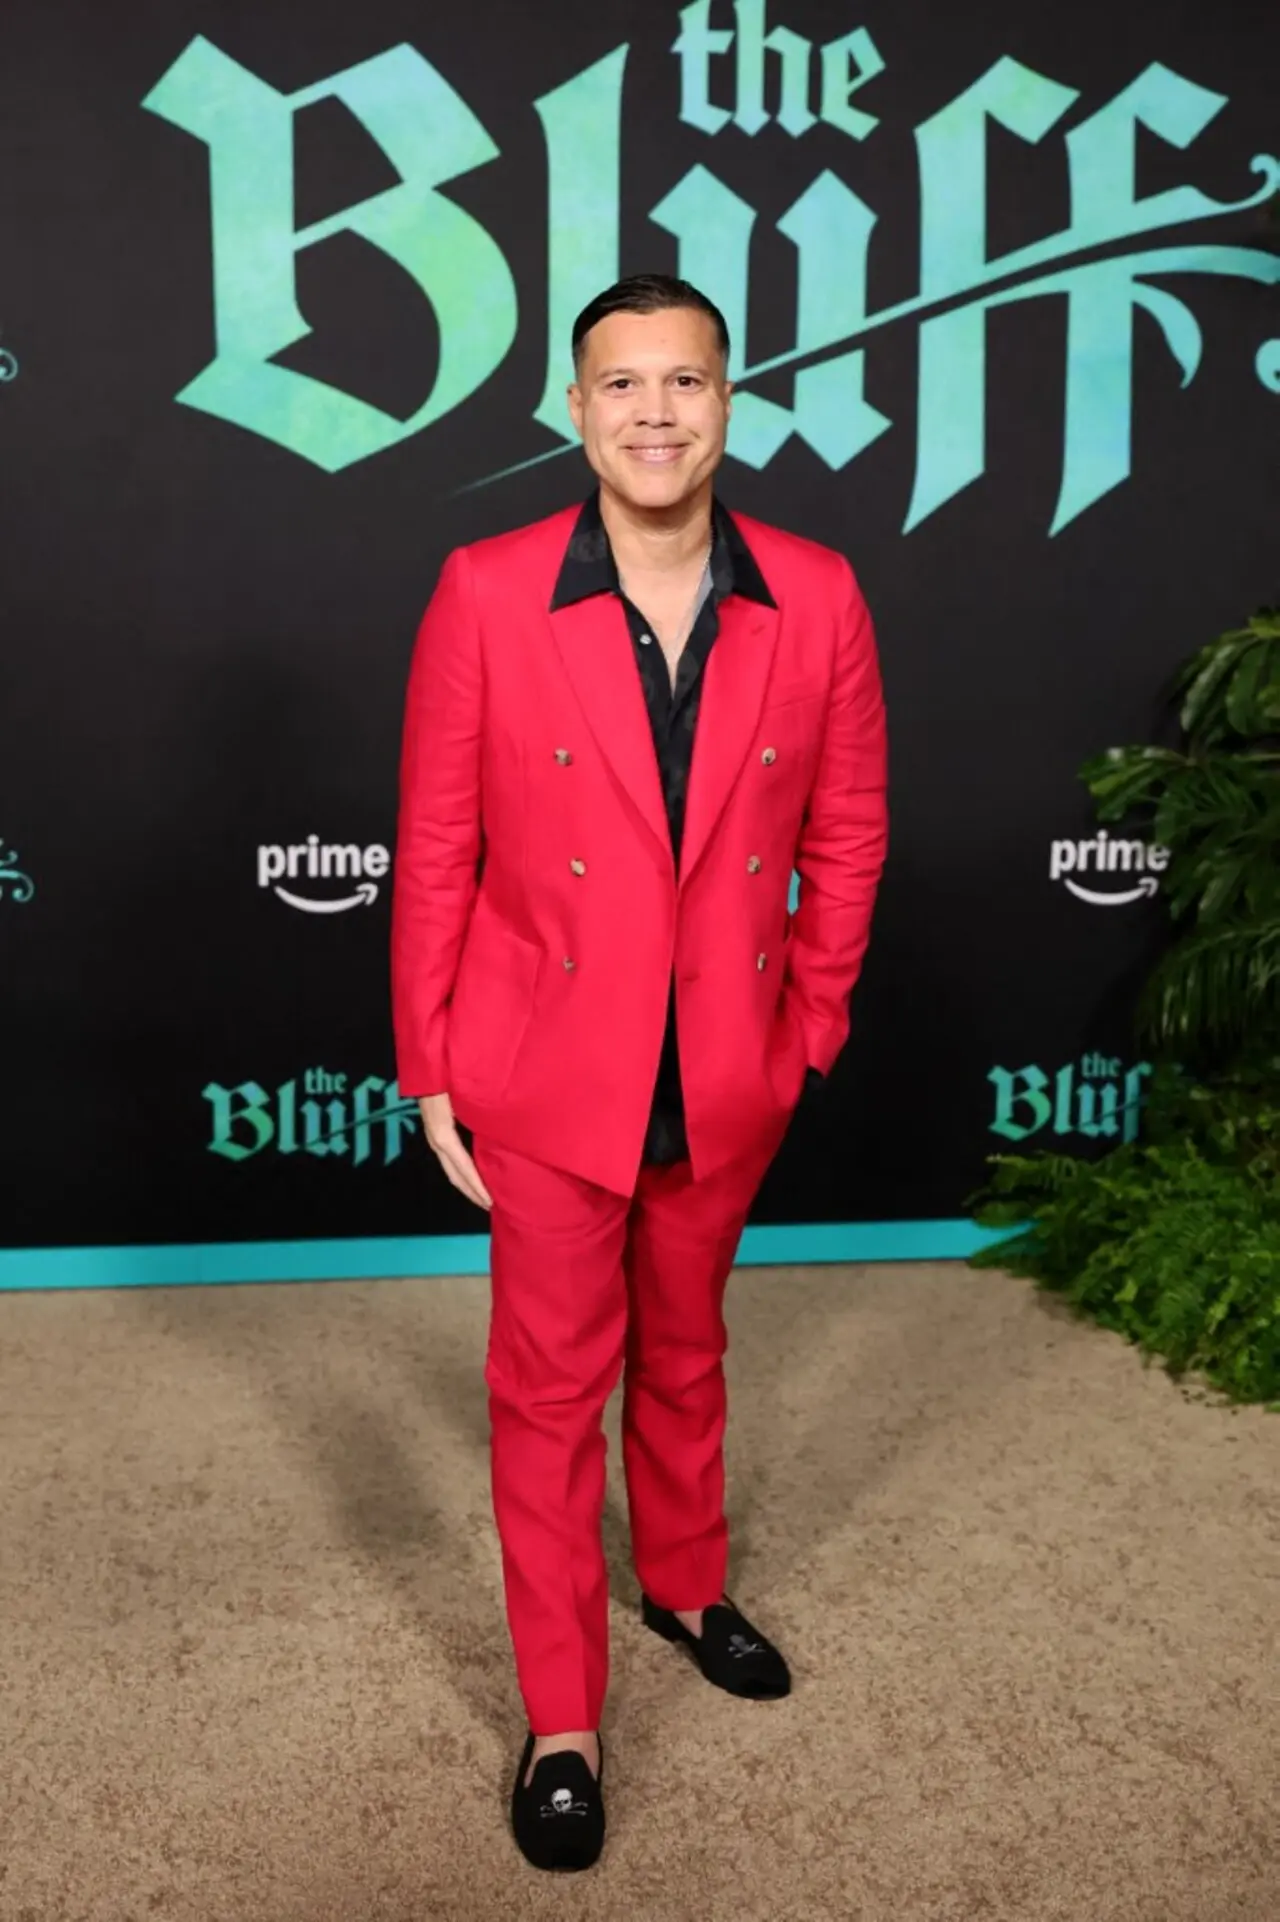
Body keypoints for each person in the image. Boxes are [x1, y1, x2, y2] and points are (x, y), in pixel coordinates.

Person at [391, 273, 888, 1872]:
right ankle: (561, 1716)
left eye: (685, 382)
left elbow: (850, 831)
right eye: (622, 384)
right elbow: (439, 845)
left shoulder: (818, 595)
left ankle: (682, 1582)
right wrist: (429, 1063)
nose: (655, 412)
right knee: (547, 1394)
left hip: (727, 1065)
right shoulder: (484, 589)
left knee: (687, 1350)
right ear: (575, 407)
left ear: (731, 404)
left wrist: (807, 1025)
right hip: (541, 1071)